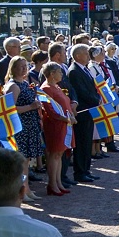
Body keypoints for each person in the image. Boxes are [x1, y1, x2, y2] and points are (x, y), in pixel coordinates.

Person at [65, 44, 101, 185]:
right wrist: (95, 100)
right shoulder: (74, 71)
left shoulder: (84, 69)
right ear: (78, 56)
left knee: (87, 142)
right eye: (85, 53)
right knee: (81, 143)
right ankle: (80, 172)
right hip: (82, 111)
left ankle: (86, 170)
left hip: (89, 110)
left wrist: (97, 97)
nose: (88, 56)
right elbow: (80, 91)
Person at [38, 64, 75, 195]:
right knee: (54, 154)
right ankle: (52, 184)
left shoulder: (56, 86)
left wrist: (70, 116)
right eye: (59, 72)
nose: (62, 74)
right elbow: (49, 109)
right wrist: (64, 118)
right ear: (52, 74)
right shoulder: (46, 88)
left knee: (59, 154)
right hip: (55, 125)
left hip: (64, 124)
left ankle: (58, 182)